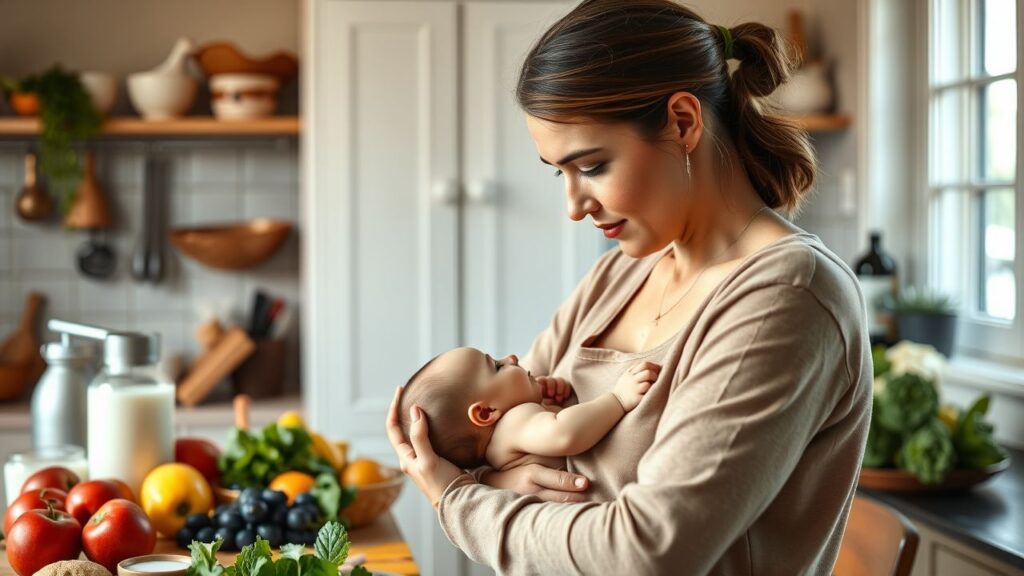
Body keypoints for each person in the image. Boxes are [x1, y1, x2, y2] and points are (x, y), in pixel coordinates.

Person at [387, 0, 873, 573]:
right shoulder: (619, 274)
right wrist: (494, 476)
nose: (573, 207)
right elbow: (488, 435)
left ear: (684, 122)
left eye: (591, 166)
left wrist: (458, 498)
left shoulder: (785, 297)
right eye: (558, 172)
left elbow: (645, 553)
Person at [398, 347, 660, 471]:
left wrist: (543, 398)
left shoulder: (508, 432)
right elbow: (563, 432)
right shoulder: (515, 422)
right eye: (497, 366)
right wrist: (618, 397)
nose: (511, 357)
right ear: (486, 413)